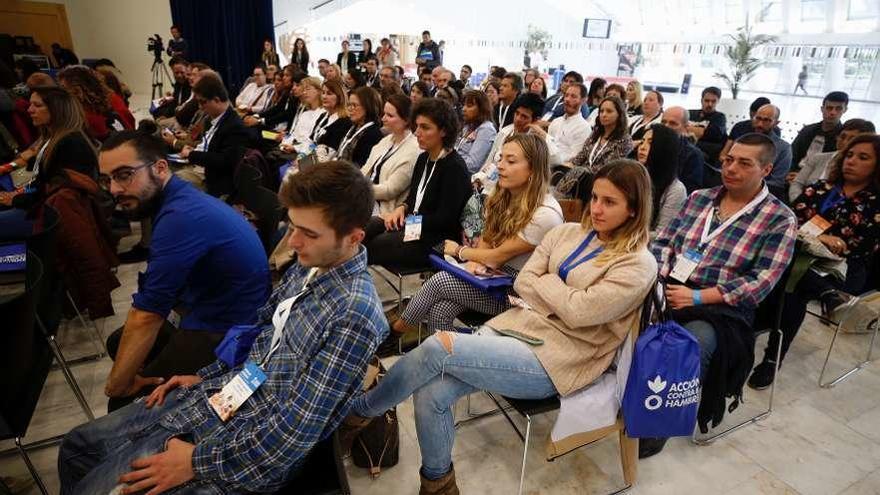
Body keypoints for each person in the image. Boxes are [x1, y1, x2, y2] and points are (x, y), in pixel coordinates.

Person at [59, 160, 386, 494]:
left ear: (353, 238)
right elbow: (262, 337)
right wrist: (209, 376)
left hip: (242, 451)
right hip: (228, 397)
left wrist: (194, 462)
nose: (293, 241)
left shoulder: (354, 315)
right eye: (292, 226)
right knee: (76, 447)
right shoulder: (312, 266)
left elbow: (294, 434)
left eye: (309, 233)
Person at [341, 159, 658, 493]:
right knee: (432, 392)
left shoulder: (637, 263)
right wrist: (560, 293)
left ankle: (358, 412)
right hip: (518, 325)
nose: (596, 208)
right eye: (594, 197)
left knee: (437, 346)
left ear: (634, 210)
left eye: (609, 202)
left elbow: (578, 313)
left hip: (561, 358)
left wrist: (548, 285)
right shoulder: (567, 232)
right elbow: (523, 283)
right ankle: (438, 483)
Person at [644, 132, 797, 458]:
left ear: (766, 169)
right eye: (729, 160)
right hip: (670, 283)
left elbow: (761, 281)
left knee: (687, 344)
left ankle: (660, 422)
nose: (731, 168)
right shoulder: (700, 197)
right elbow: (664, 243)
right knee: (620, 314)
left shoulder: (779, 218)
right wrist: (659, 279)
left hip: (721, 305)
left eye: (744, 163)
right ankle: (626, 392)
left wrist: (699, 298)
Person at [96, 130, 269, 410]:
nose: (114, 189)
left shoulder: (180, 218)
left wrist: (117, 385)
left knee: (121, 402)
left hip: (229, 333)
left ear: (161, 168)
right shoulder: (180, 200)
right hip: (213, 311)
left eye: (124, 174)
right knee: (119, 343)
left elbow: (148, 315)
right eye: (107, 179)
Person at [383, 133, 564, 351]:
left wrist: (461, 252)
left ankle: (394, 333)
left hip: (521, 294)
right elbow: (487, 241)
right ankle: (446, 364)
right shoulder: (504, 194)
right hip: (494, 279)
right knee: (440, 311)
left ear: (533, 170)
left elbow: (498, 257)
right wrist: (474, 264)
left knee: (441, 281)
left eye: (511, 161)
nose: (501, 166)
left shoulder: (545, 215)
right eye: (501, 158)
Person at [749, 134, 880, 389]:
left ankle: (771, 359)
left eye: (863, 157)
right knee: (789, 273)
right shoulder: (821, 188)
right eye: (850, 155)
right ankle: (828, 296)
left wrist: (821, 240)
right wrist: (823, 236)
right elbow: (789, 219)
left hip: (839, 267)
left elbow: (860, 247)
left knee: (793, 288)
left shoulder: (875, 204)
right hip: (794, 254)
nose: (851, 161)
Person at [0, 86, 118, 317]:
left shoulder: (68, 142)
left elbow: (57, 191)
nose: (29, 110)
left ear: (56, 109)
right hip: (48, 211)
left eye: (37, 105)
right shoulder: (51, 138)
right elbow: (42, 180)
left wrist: (16, 199)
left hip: (50, 219)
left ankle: (17, 299)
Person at [363, 98, 470, 269]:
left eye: (425, 127)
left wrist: (409, 221)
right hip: (415, 228)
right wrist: (402, 208)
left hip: (436, 240)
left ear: (443, 131)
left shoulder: (454, 167)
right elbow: (413, 198)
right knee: (366, 227)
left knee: (373, 245)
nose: (417, 132)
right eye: (417, 126)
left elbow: (445, 219)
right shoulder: (423, 158)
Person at [178, 75, 249, 197]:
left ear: (216, 100)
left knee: (173, 182)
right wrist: (193, 151)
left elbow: (224, 161)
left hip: (215, 183)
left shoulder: (234, 126)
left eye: (202, 102)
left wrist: (192, 155)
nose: (200, 107)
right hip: (203, 170)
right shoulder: (213, 119)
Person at [556, 96, 633, 199]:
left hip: (604, 180)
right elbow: (581, 156)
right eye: (601, 111)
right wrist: (568, 164)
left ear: (619, 115)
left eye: (609, 111)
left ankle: (559, 198)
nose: (604, 114)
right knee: (559, 168)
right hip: (582, 177)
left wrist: (578, 169)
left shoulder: (625, 140)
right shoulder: (596, 134)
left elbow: (608, 167)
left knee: (581, 175)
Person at [361, 94, 420, 215]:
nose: (383, 119)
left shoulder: (414, 150)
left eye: (390, 115)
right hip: (365, 198)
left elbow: (389, 190)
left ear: (406, 120)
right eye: (384, 114)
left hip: (383, 210)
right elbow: (364, 171)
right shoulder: (386, 140)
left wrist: (358, 189)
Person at [789, 118, 875, 201]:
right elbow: (797, 183)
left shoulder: (853, 170)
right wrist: (798, 202)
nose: (845, 142)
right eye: (842, 136)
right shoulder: (818, 158)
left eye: (852, 139)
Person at [477, 93, 546, 190]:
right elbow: (489, 161)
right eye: (517, 113)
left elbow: (557, 158)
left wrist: (542, 134)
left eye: (524, 116)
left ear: (535, 120)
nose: (518, 119)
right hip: (489, 184)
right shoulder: (505, 132)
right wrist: (479, 178)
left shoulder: (536, 142)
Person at [57, 65, 134, 140]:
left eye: (64, 89)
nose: (61, 94)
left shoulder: (89, 119)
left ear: (78, 91)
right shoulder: (109, 99)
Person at [636, 124, 686, 235]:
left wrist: (625, 235)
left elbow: (663, 233)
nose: (642, 147)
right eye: (642, 141)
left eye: (650, 143)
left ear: (664, 148)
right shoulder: (635, 177)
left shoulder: (676, 189)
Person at [741, 104, 792, 198]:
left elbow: (776, 183)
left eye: (766, 120)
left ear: (776, 123)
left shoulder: (784, 148)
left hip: (761, 195)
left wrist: (746, 186)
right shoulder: (743, 141)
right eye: (758, 118)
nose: (760, 124)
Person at [791, 91, 849, 169]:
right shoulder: (807, 130)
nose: (833, 112)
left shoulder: (843, 137)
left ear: (845, 110)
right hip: (795, 172)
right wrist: (790, 172)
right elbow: (792, 155)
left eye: (838, 109)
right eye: (829, 108)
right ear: (822, 109)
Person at [543, 82, 590, 165]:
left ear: (583, 100)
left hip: (562, 170)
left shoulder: (584, 128)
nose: (567, 99)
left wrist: (544, 135)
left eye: (573, 96)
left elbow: (574, 159)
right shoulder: (556, 122)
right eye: (566, 95)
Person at [660, 106, 705, 193]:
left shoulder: (693, 155)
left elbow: (690, 190)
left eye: (673, 123)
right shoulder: (650, 146)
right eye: (663, 122)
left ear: (686, 127)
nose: (666, 127)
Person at [338, 86, 384, 166]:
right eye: (349, 105)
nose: (350, 109)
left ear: (368, 106)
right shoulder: (353, 127)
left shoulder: (373, 134)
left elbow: (361, 166)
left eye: (354, 105)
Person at [455, 90, 497, 173]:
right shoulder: (467, 126)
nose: (463, 109)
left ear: (482, 108)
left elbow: (473, 165)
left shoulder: (486, 129)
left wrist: (448, 163)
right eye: (463, 105)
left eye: (469, 106)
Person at [311, 79, 352, 158]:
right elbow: (312, 140)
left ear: (339, 97)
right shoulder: (323, 116)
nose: (324, 97)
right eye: (323, 93)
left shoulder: (345, 122)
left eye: (329, 94)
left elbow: (332, 152)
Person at [688, 86, 728, 166]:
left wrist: (688, 128)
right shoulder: (690, 113)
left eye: (713, 101)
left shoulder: (719, 117)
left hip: (708, 156)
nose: (710, 104)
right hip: (689, 149)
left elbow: (715, 134)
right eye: (707, 101)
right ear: (701, 100)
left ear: (718, 101)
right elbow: (678, 129)